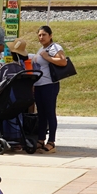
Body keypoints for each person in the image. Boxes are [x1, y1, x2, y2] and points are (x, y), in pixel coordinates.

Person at [30, 24, 67, 153]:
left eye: (44, 35)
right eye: (39, 35)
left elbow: (63, 61)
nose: (41, 37)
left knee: (50, 112)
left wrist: (48, 58)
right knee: (41, 114)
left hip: (49, 84)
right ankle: (41, 139)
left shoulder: (54, 47)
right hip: (39, 85)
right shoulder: (41, 49)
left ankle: (51, 141)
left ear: (50, 36)